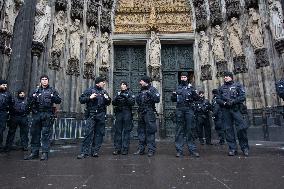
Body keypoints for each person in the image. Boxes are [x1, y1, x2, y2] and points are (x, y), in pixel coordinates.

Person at [24, 75, 61, 161]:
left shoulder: (52, 90)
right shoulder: (35, 90)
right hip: (37, 114)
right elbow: (29, 102)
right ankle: (34, 152)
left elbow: (59, 100)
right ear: (40, 81)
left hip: (47, 114)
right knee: (35, 133)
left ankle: (44, 153)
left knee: (45, 134)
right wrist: (33, 97)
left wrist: (52, 96)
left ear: (48, 81)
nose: (44, 81)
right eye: (43, 79)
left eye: (46, 79)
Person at [77, 77, 111, 159]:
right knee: (88, 133)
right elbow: (81, 99)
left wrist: (107, 99)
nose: (104, 83)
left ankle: (95, 151)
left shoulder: (104, 92)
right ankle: (84, 152)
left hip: (101, 115)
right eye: (102, 82)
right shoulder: (89, 90)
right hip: (91, 114)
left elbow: (108, 102)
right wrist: (90, 97)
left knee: (99, 134)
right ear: (97, 83)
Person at [216, 71, 249, 156]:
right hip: (226, 110)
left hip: (236, 109)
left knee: (241, 128)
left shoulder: (238, 85)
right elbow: (218, 99)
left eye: (227, 76)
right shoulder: (221, 88)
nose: (225, 77)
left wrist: (234, 101)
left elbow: (243, 97)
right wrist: (224, 103)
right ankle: (232, 148)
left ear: (231, 77)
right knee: (228, 130)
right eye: (224, 76)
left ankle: (245, 147)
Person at [171, 72, 200, 158]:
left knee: (190, 129)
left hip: (189, 109)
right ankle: (179, 151)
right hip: (180, 109)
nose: (183, 78)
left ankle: (192, 150)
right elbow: (173, 99)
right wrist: (173, 95)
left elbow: (197, 98)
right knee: (179, 130)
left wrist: (194, 92)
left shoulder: (191, 87)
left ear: (187, 78)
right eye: (182, 77)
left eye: (184, 77)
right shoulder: (177, 88)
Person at [134, 76, 160, 157]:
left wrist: (150, 94)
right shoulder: (141, 90)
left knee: (150, 131)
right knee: (141, 131)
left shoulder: (153, 89)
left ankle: (151, 149)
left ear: (146, 82)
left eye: (141, 81)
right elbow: (138, 101)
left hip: (149, 112)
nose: (140, 82)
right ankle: (141, 149)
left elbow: (157, 99)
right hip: (141, 112)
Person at [112, 81, 135, 155]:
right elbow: (113, 103)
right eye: (121, 84)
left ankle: (125, 149)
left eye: (124, 84)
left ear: (127, 86)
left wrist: (126, 97)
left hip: (127, 113)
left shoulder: (130, 93)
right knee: (118, 131)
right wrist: (116, 99)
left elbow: (132, 102)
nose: (122, 86)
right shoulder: (118, 93)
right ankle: (117, 148)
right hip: (119, 113)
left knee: (126, 131)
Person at [0, 79, 13, 152]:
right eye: (3, 85)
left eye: (6, 85)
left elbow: (11, 104)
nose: (5, 86)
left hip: (3, 113)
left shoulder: (8, 94)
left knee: (1, 130)